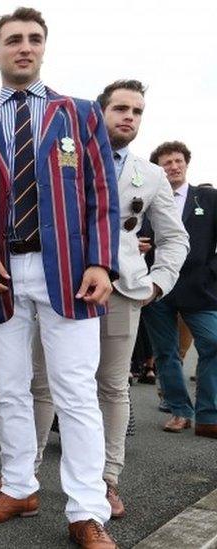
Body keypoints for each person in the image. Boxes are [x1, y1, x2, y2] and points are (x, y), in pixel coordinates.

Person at [0, 8, 121, 548]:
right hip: (0, 274)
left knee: (74, 393)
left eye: (33, 39)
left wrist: (101, 260)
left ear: (44, 47)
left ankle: (86, 511)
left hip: (70, 273)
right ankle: (20, 486)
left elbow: (102, 193)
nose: (23, 47)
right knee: (10, 391)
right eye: (12, 40)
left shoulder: (79, 114)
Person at [28, 81, 189, 518]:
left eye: (137, 111)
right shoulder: (64, 157)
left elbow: (175, 239)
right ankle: (25, 476)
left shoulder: (151, 175)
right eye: (120, 108)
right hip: (60, 285)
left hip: (119, 292)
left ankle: (106, 479)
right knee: (42, 384)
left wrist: (157, 284)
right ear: (98, 112)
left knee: (112, 386)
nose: (129, 117)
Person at [142, 140, 217, 440]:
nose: (172, 166)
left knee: (213, 343)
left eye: (177, 161)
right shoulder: (147, 198)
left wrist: (212, 272)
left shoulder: (207, 197)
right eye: (165, 163)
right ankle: (179, 410)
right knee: (165, 352)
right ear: (157, 169)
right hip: (158, 286)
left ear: (186, 163)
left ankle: (209, 413)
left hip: (200, 289)